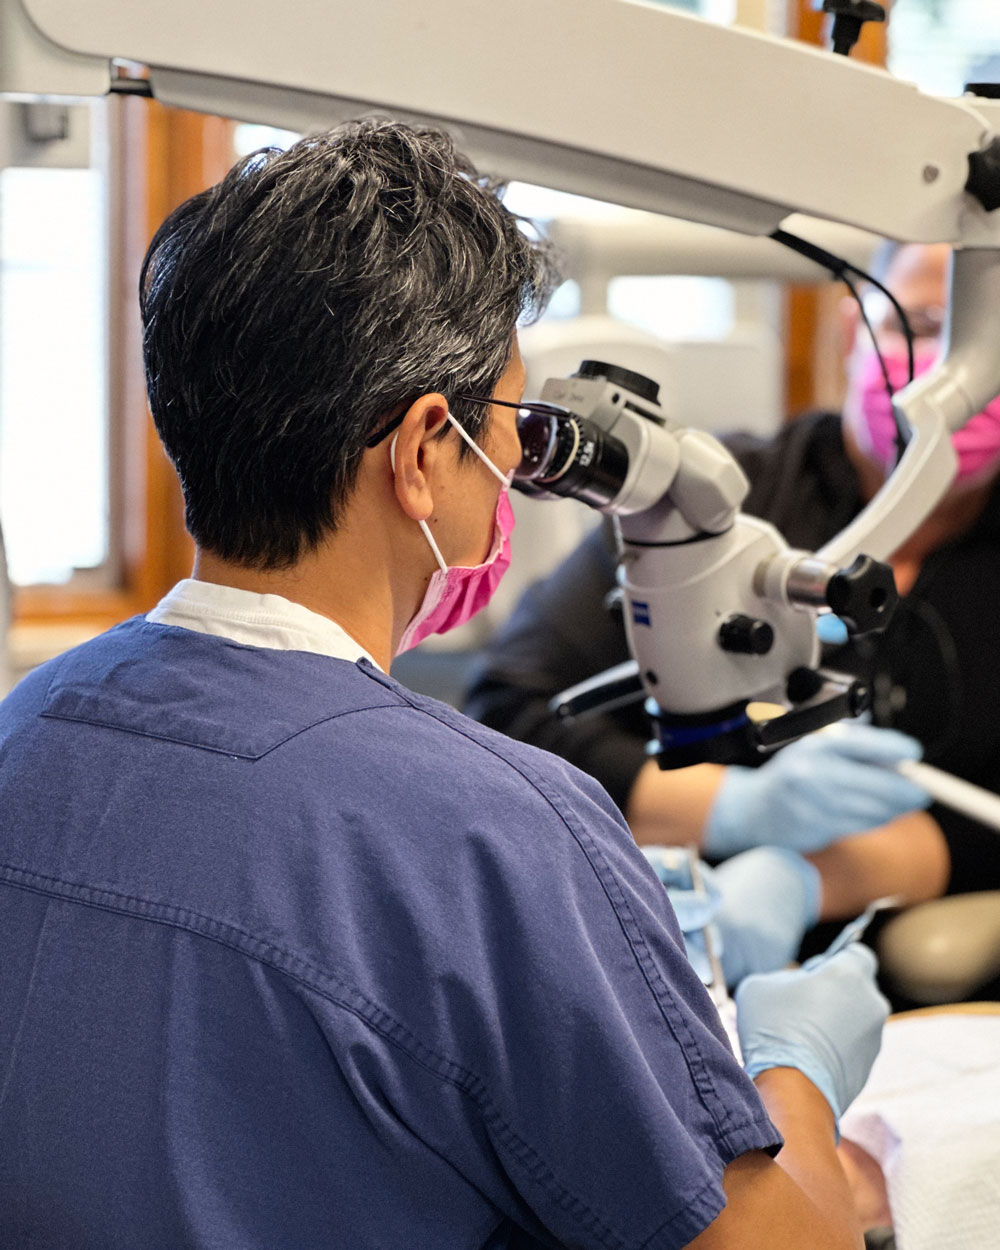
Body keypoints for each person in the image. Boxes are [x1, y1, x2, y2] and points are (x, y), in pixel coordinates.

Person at [0, 119, 888, 1250]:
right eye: (506, 430)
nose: (513, 475)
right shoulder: (497, 830)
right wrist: (793, 1069)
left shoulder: (25, 729)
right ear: (425, 450)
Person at [465, 240, 1000, 976]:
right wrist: (734, 809)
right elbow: (509, 712)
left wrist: (802, 881)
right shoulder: (706, 498)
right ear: (853, 331)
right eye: (929, 319)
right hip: (660, 938)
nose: (954, 372)